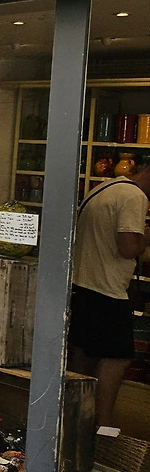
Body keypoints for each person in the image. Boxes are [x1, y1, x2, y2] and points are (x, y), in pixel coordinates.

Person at [69, 160, 150, 429]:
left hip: (82, 284)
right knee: (118, 358)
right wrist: (144, 240)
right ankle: (103, 427)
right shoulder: (134, 196)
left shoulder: (104, 188)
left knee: (84, 355)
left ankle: (74, 421)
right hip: (107, 290)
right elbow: (128, 248)